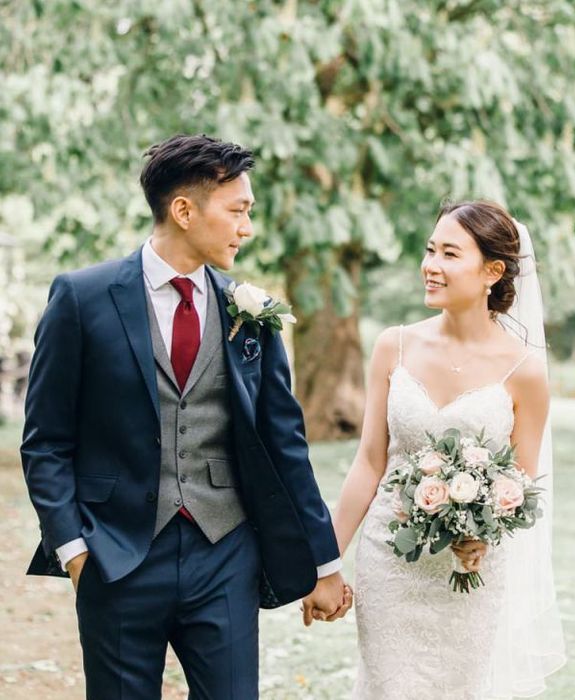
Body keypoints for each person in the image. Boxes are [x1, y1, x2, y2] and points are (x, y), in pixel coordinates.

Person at [20, 133, 351, 699]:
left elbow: (284, 445)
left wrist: (326, 563)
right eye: (238, 211)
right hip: (116, 556)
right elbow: (46, 442)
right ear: (183, 210)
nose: (247, 228)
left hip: (225, 554)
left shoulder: (251, 311)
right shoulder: (81, 297)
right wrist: (74, 551)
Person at [331, 201, 566, 698]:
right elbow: (369, 462)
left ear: (492, 271)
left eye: (449, 254)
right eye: (430, 250)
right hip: (388, 563)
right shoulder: (392, 346)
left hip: (469, 574)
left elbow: (520, 489)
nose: (430, 266)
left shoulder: (525, 370)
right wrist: (324, 563)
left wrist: (483, 538)